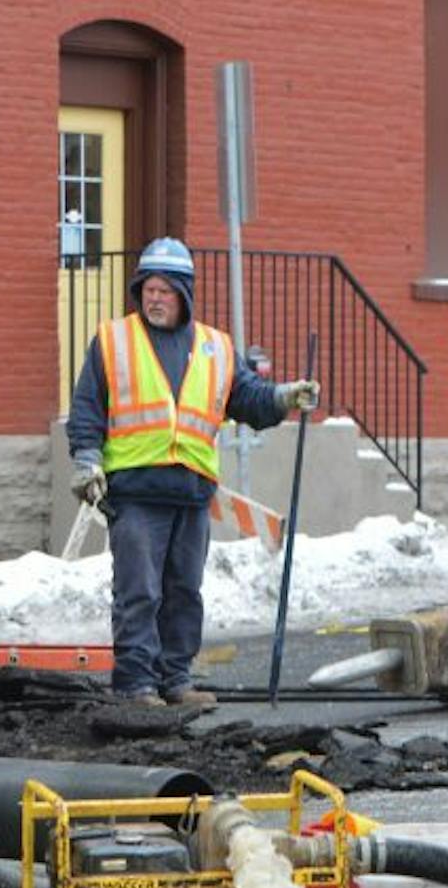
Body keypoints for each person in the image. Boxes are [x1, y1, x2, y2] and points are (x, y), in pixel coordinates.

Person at [66, 237, 318, 707]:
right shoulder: (113, 341)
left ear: (184, 293)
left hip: (190, 492)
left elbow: (249, 399)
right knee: (138, 592)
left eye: (165, 290)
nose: (154, 297)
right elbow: (87, 409)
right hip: (136, 492)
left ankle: (175, 679)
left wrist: (285, 397)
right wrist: (86, 461)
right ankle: (136, 684)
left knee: (184, 591)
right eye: (148, 289)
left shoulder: (214, 348)